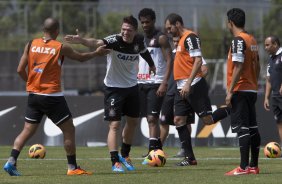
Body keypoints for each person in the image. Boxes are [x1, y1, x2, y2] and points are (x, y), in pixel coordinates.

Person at [3, 17, 109, 176]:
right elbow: (80, 58)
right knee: (69, 129)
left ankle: (11, 161)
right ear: (57, 31)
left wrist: (31, 83)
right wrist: (96, 52)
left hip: (34, 95)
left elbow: (20, 69)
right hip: (52, 96)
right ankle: (72, 167)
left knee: (26, 131)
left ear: (43, 29)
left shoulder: (31, 44)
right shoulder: (60, 47)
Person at [64, 15, 156, 172]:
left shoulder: (139, 41)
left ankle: (125, 155)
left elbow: (144, 52)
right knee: (114, 125)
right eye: (123, 29)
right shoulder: (114, 41)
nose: (125, 32)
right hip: (113, 88)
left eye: (129, 30)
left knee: (133, 122)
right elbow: (97, 42)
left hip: (132, 87)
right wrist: (82, 41)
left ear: (135, 31)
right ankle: (115, 162)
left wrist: (152, 65)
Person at [165, 13, 230, 166]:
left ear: (178, 24)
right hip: (181, 87)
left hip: (194, 85)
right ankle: (190, 158)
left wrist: (188, 83)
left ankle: (231, 108)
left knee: (208, 121)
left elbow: (199, 60)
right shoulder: (180, 41)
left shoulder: (190, 37)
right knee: (178, 120)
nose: (168, 31)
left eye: (169, 27)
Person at [224, 8, 261, 176]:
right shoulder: (251, 39)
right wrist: (254, 81)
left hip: (240, 88)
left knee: (243, 128)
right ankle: (253, 166)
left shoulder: (238, 40)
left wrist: (230, 91)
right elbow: (257, 64)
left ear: (230, 23)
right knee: (253, 127)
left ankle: (243, 167)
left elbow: (238, 66)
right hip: (251, 88)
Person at [159, 36, 208, 157]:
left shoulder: (189, 53)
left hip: (185, 91)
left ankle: (184, 149)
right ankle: (157, 150)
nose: (175, 43)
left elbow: (204, 69)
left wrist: (191, 83)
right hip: (170, 92)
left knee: (186, 121)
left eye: (177, 41)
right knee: (164, 122)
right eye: (174, 41)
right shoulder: (172, 55)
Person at [137, 8, 172, 162]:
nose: (144, 25)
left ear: (153, 21)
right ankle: (156, 151)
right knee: (147, 118)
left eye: (147, 22)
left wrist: (164, 82)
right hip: (140, 83)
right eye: (142, 22)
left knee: (152, 118)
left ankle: (153, 152)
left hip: (156, 83)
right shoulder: (138, 39)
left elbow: (170, 60)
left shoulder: (161, 38)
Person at [264, 36, 282, 144]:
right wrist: (266, 97)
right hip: (275, 97)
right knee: (279, 123)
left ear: (275, 44)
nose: (265, 47)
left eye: (267, 45)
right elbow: (269, 80)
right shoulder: (270, 59)